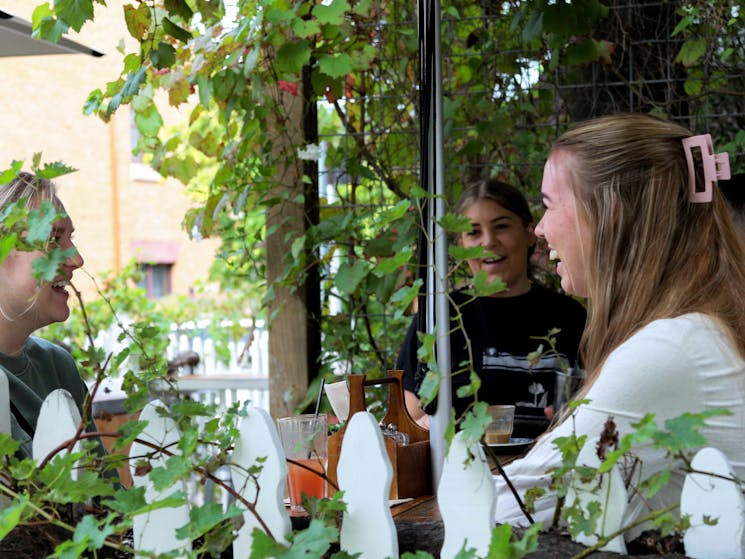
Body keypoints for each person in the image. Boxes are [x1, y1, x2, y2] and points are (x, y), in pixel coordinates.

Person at [494, 114, 745, 540]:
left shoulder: (671, 349)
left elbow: (511, 505)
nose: (539, 229)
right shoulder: (703, 329)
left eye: (550, 205)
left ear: (610, 212)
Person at [396, 178, 587, 436]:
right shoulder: (439, 317)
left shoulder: (570, 317)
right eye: (473, 232)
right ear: (461, 244)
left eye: (501, 227)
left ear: (529, 233)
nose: (488, 241)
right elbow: (409, 420)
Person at [0, 172, 89, 459]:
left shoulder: (58, 365)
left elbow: (104, 494)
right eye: (53, 239)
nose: (76, 260)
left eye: (70, 238)